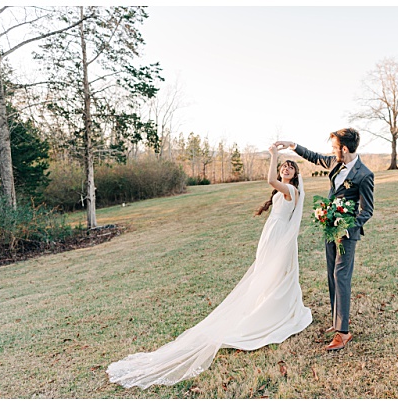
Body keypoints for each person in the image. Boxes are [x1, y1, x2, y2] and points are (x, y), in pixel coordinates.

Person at [107, 146, 312, 389]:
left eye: (290, 167)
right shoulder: (282, 191)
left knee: (276, 274)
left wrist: (273, 156)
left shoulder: (290, 190)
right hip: (272, 233)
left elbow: (269, 180)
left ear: (295, 174)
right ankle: (266, 304)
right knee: (267, 273)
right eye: (283, 166)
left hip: (279, 237)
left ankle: (275, 310)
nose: (286, 169)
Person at [274, 128, 374, 351]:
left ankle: (343, 332)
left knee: (341, 276)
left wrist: (348, 226)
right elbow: (313, 156)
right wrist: (293, 145)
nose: (332, 151)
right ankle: (337, 321)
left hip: (347, 233)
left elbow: (367, 210)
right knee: (331, 274)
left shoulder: (364, 174)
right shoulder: (335, 163)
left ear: (344, 149)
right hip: (329, 227)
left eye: (335, 147)